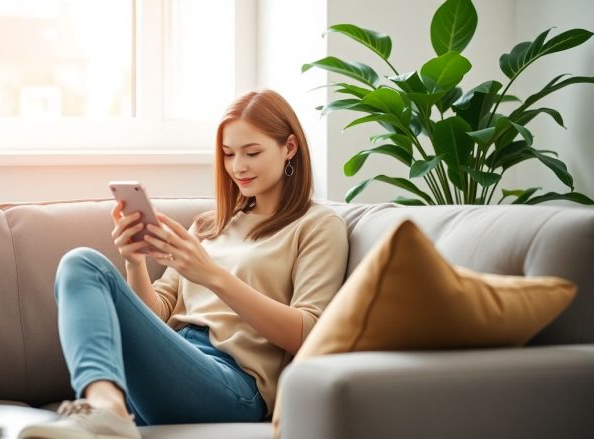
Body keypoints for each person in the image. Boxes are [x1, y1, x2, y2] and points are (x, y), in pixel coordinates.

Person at [19, 89, 349, 439]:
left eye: (252, 152)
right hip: (177, 360)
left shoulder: (317, 225)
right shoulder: (210, 226)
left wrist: (213, 276)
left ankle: (107, 413)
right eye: (228, 154)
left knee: (86, 264)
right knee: (81, 263)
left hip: (233, 384)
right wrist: (134, 261)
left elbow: (310, 333)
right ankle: (104, 404)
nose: (238, 166)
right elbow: (157, 313)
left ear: (290, 148)